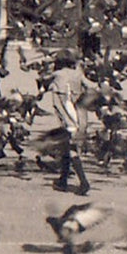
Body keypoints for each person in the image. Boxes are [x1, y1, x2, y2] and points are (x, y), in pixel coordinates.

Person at [47, 48, 91, 194]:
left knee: (70, 149)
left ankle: (83, 181)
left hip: (68, 117)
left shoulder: (56, 76)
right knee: (66, 147)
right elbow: (92, 86)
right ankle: (63, 179)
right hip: (80, 115)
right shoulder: (78, 74)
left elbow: (57, 104)